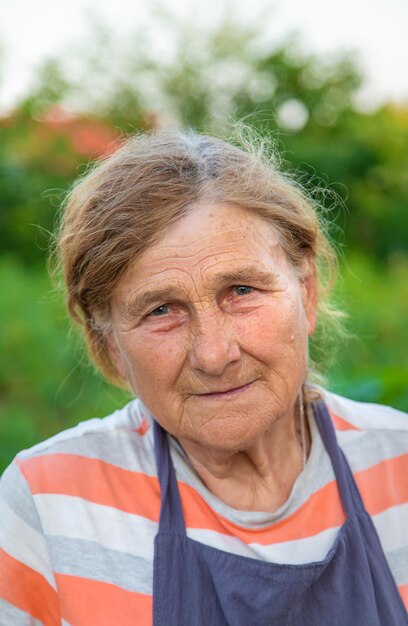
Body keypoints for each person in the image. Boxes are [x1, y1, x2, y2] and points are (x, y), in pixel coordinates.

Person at [0, 130, 407, 626]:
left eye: (241, 289)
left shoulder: (400, 464)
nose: (214, 355)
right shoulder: (49, 501)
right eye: (161, 310)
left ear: (308, 294)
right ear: (109, 344)